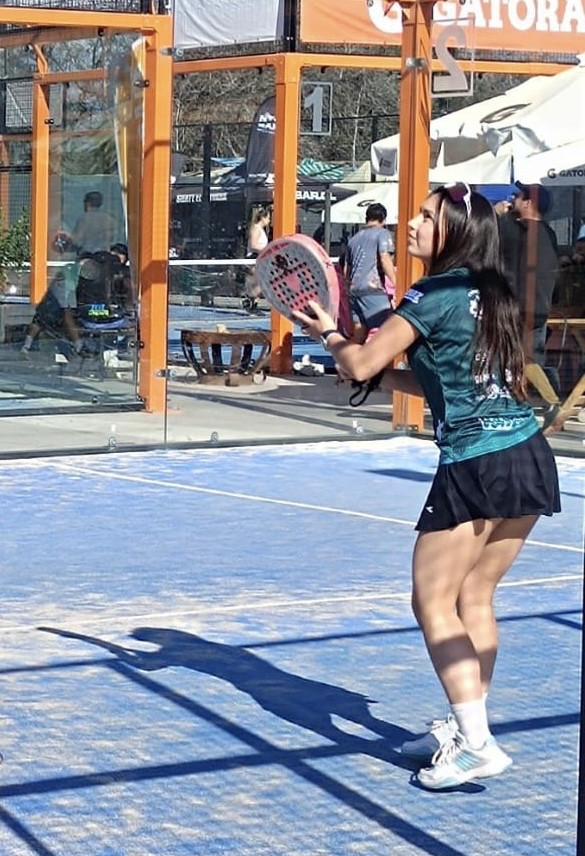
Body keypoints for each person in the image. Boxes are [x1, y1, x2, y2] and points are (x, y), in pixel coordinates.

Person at [295, 182, 561, 790]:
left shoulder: (431, 292)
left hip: (476, 462)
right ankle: (466, 727)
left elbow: (360, 360)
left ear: (455, 232)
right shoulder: (495, 292)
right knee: (475, 597)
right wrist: (383, 381)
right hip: (526, 452)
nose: (411, 224)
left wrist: (329, 336)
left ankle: (477, 744)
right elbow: (451, 381)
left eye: (424, 217)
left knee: (433, 602)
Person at [498, 181, 562, 428]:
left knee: (518, 358)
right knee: (527, 358)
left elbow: (486, 231)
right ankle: (532, 404)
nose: (513, 199)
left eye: (518, 196)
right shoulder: (549, 234)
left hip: (517, 306)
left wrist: (499, 213)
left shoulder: (514, 229)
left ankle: (550, 402)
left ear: (527, 203)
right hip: (540, 307)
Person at [343, 202, 396, 336]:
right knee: (386, 331)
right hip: (373, 289)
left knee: (359, 335)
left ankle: (350, 351)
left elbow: (347, 270)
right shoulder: (383, 234)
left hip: (354, 291)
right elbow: (384, 258)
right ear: (384, 219)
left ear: (366, 218)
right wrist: (397, 283)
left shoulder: (353, 239)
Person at [21, 262, 85, 357]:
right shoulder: (69, 283)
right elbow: (67, 309)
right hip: (56, 308)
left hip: (47, 306)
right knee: (68, 317)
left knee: (38, 322)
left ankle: (26, 346)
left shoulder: (56, 282)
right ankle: (78, 344)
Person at [69, 191, 117, 255]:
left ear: (87, 203)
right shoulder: (109, 219)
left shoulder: (84, 219)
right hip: (105, 254)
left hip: (88, 255)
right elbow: (113, 239)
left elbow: (77, 240)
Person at [242, 208, 271, 313]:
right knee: (258, 283)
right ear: (262, 218)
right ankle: (249, 301)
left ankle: (252, 304)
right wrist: (266, 250)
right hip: (253, 258)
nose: (269, 221)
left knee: (258, 283)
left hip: (260, 258)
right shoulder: (256, 228)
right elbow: (253, 245)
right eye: (268, 218)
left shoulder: (261, 230)